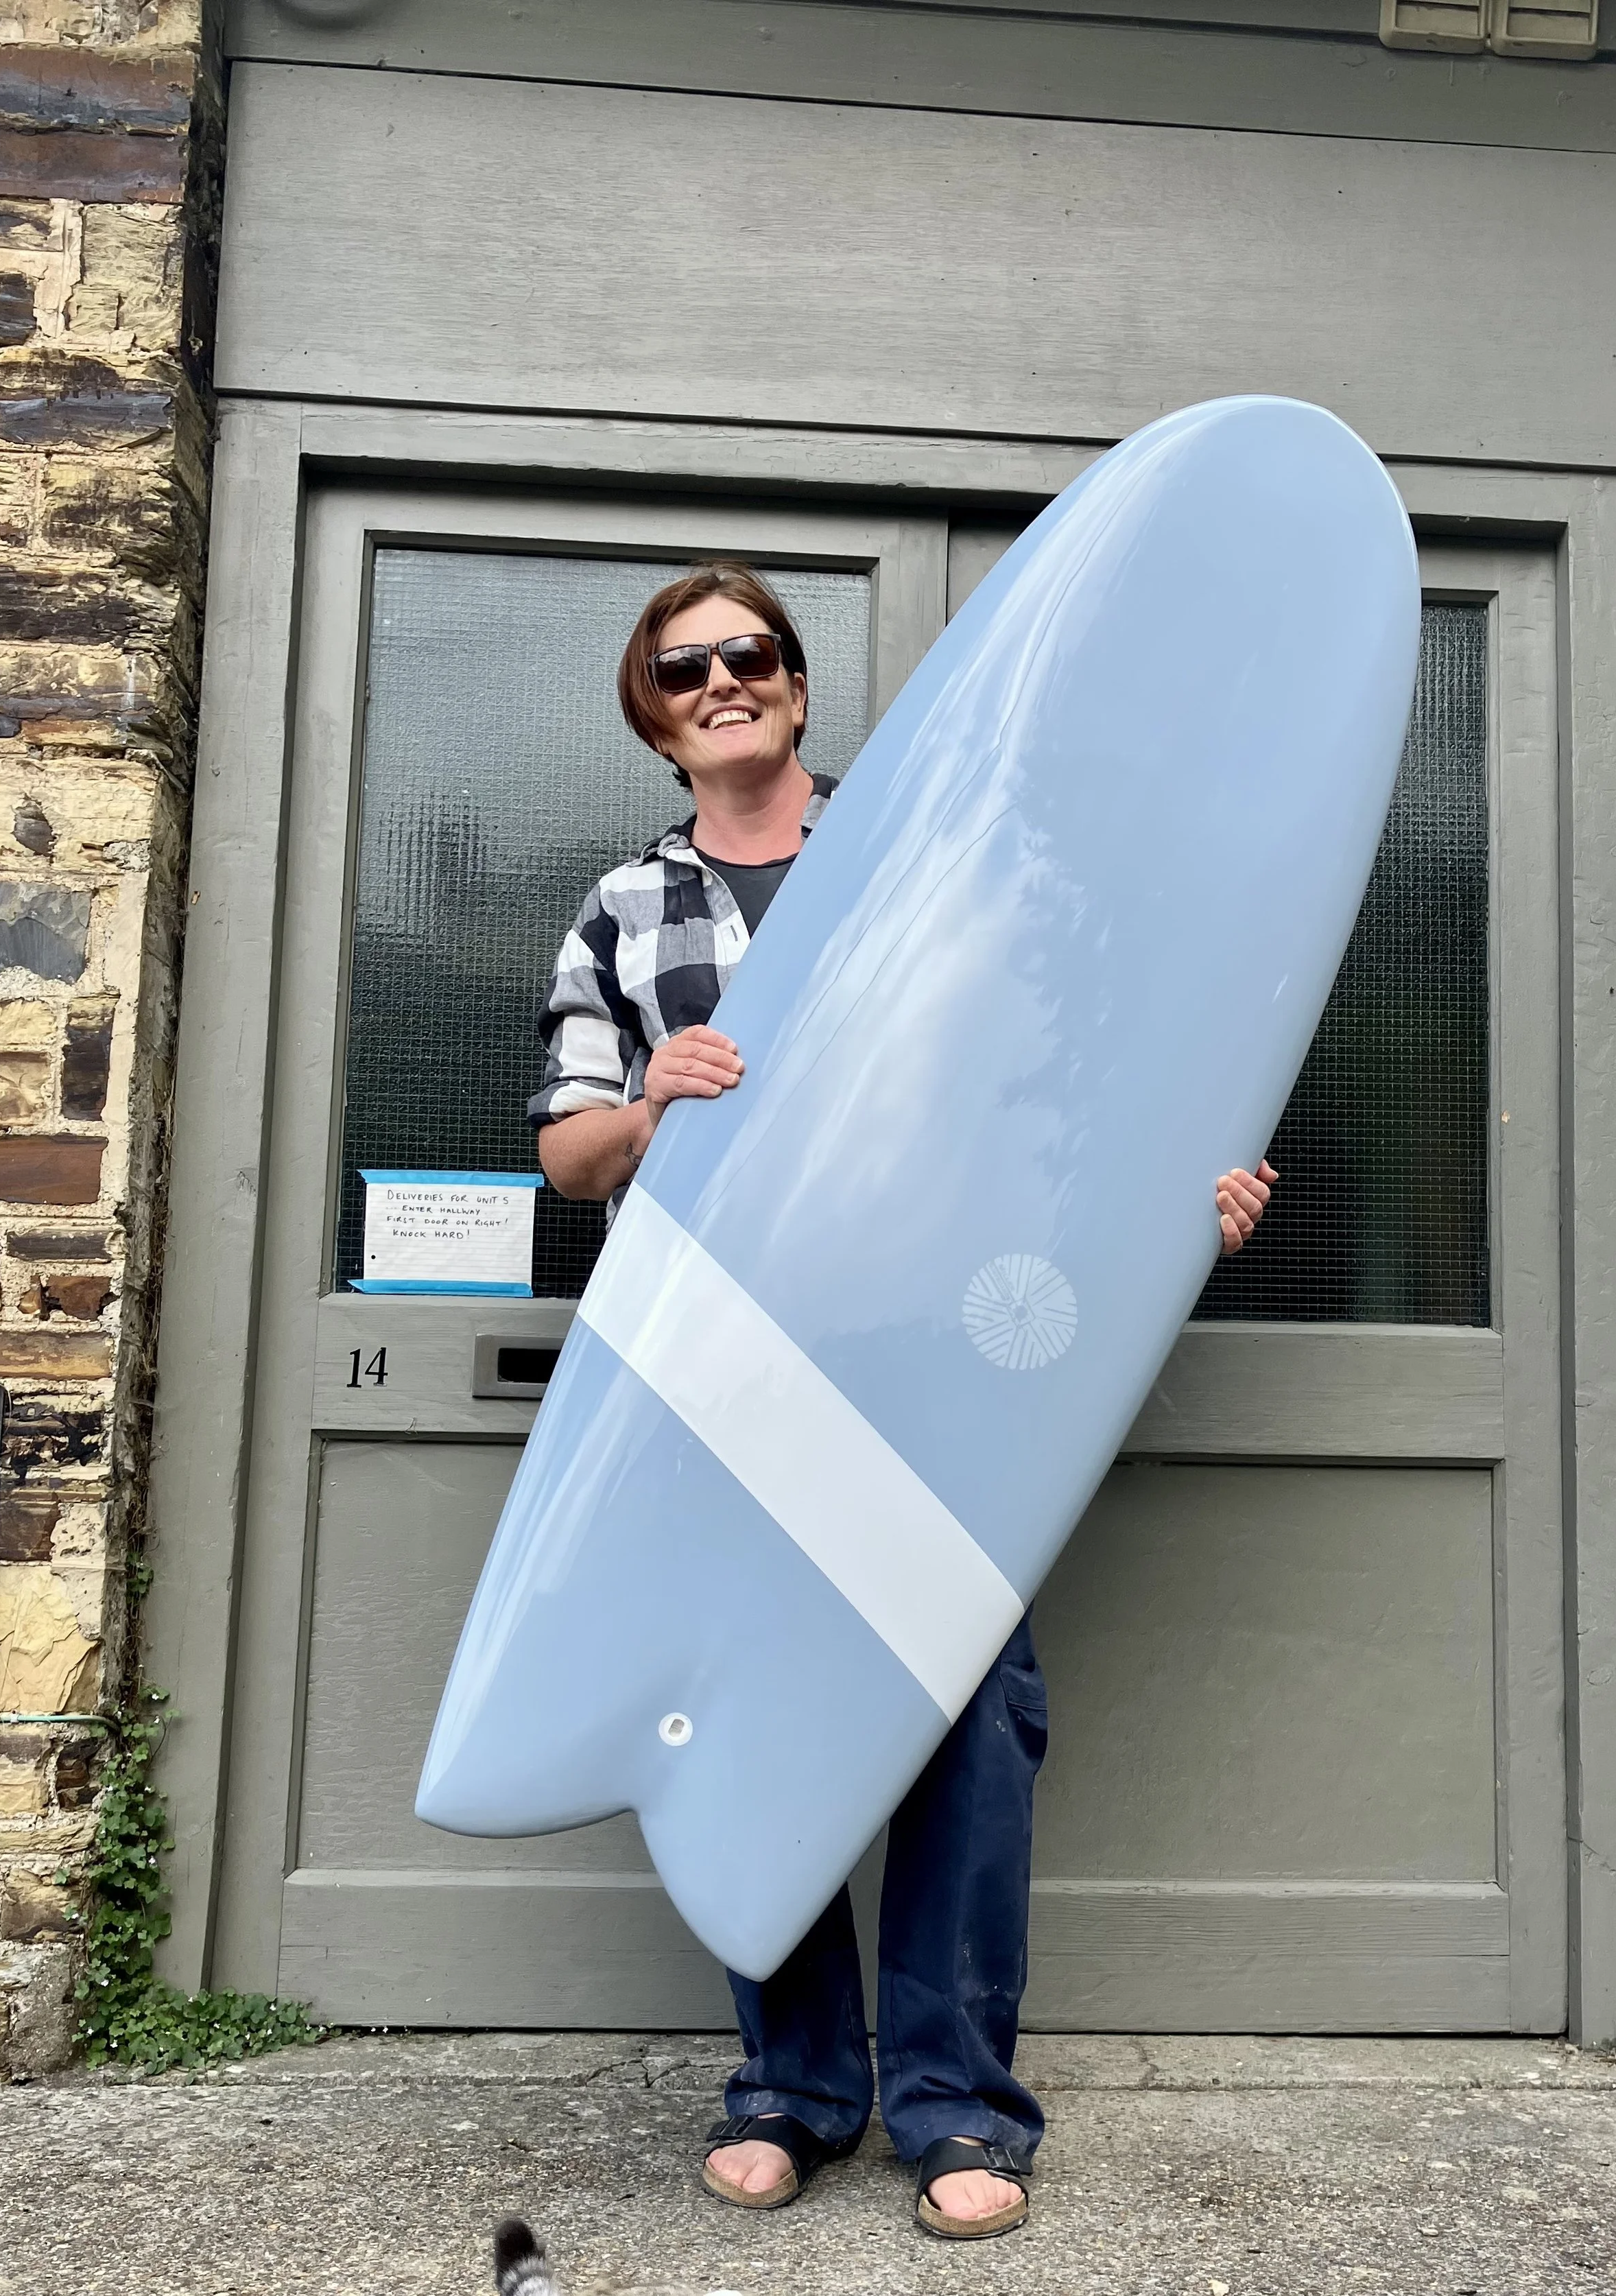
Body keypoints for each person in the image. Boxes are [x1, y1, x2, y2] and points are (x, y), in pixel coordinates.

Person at [532, 563, 1274, 2240]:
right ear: (654, 709)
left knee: (965, 1732)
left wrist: (1191, 1196)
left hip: (936, 1368)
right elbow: (570, 1158)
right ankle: (791, 2093)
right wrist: (651, 1098)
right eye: (687, 664)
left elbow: (1066, 1086)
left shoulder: (935, 862)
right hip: (715, 1380)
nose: (724, 679)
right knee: (754, 1714)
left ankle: (955, 2109)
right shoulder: (621, 910)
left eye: (753, 655)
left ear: (795, 686)